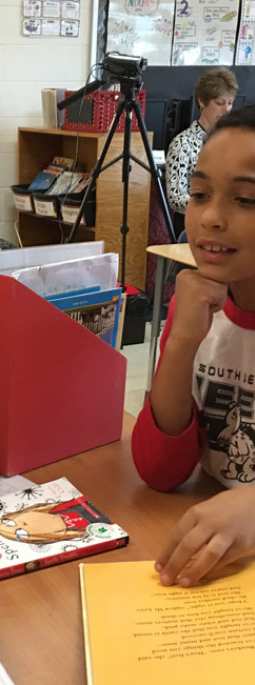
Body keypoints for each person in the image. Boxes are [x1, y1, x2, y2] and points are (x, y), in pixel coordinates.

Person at [132, 102, 255, 589]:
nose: (211, 219)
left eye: (246, 201)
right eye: (200, 194)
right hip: (216, 558)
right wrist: (182, 340)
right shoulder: (201, 310)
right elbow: (159, 471)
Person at [165, 66, 237, 239]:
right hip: (194, 225)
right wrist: (209, 205)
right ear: (202, 102)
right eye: (219, 103)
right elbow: (175, 197)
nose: (226, 109)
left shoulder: (233, 142)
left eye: (230, 103)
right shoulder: (183, 143)